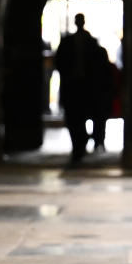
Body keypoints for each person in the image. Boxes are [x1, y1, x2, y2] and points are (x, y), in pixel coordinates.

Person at [54, 13, 106, 164]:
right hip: (72, 86)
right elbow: (60, 63)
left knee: (85, 115)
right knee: (73, 118)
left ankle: (87, 141)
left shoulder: (92, 44)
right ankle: (78, 144)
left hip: (87, 87)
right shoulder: (67, 43)